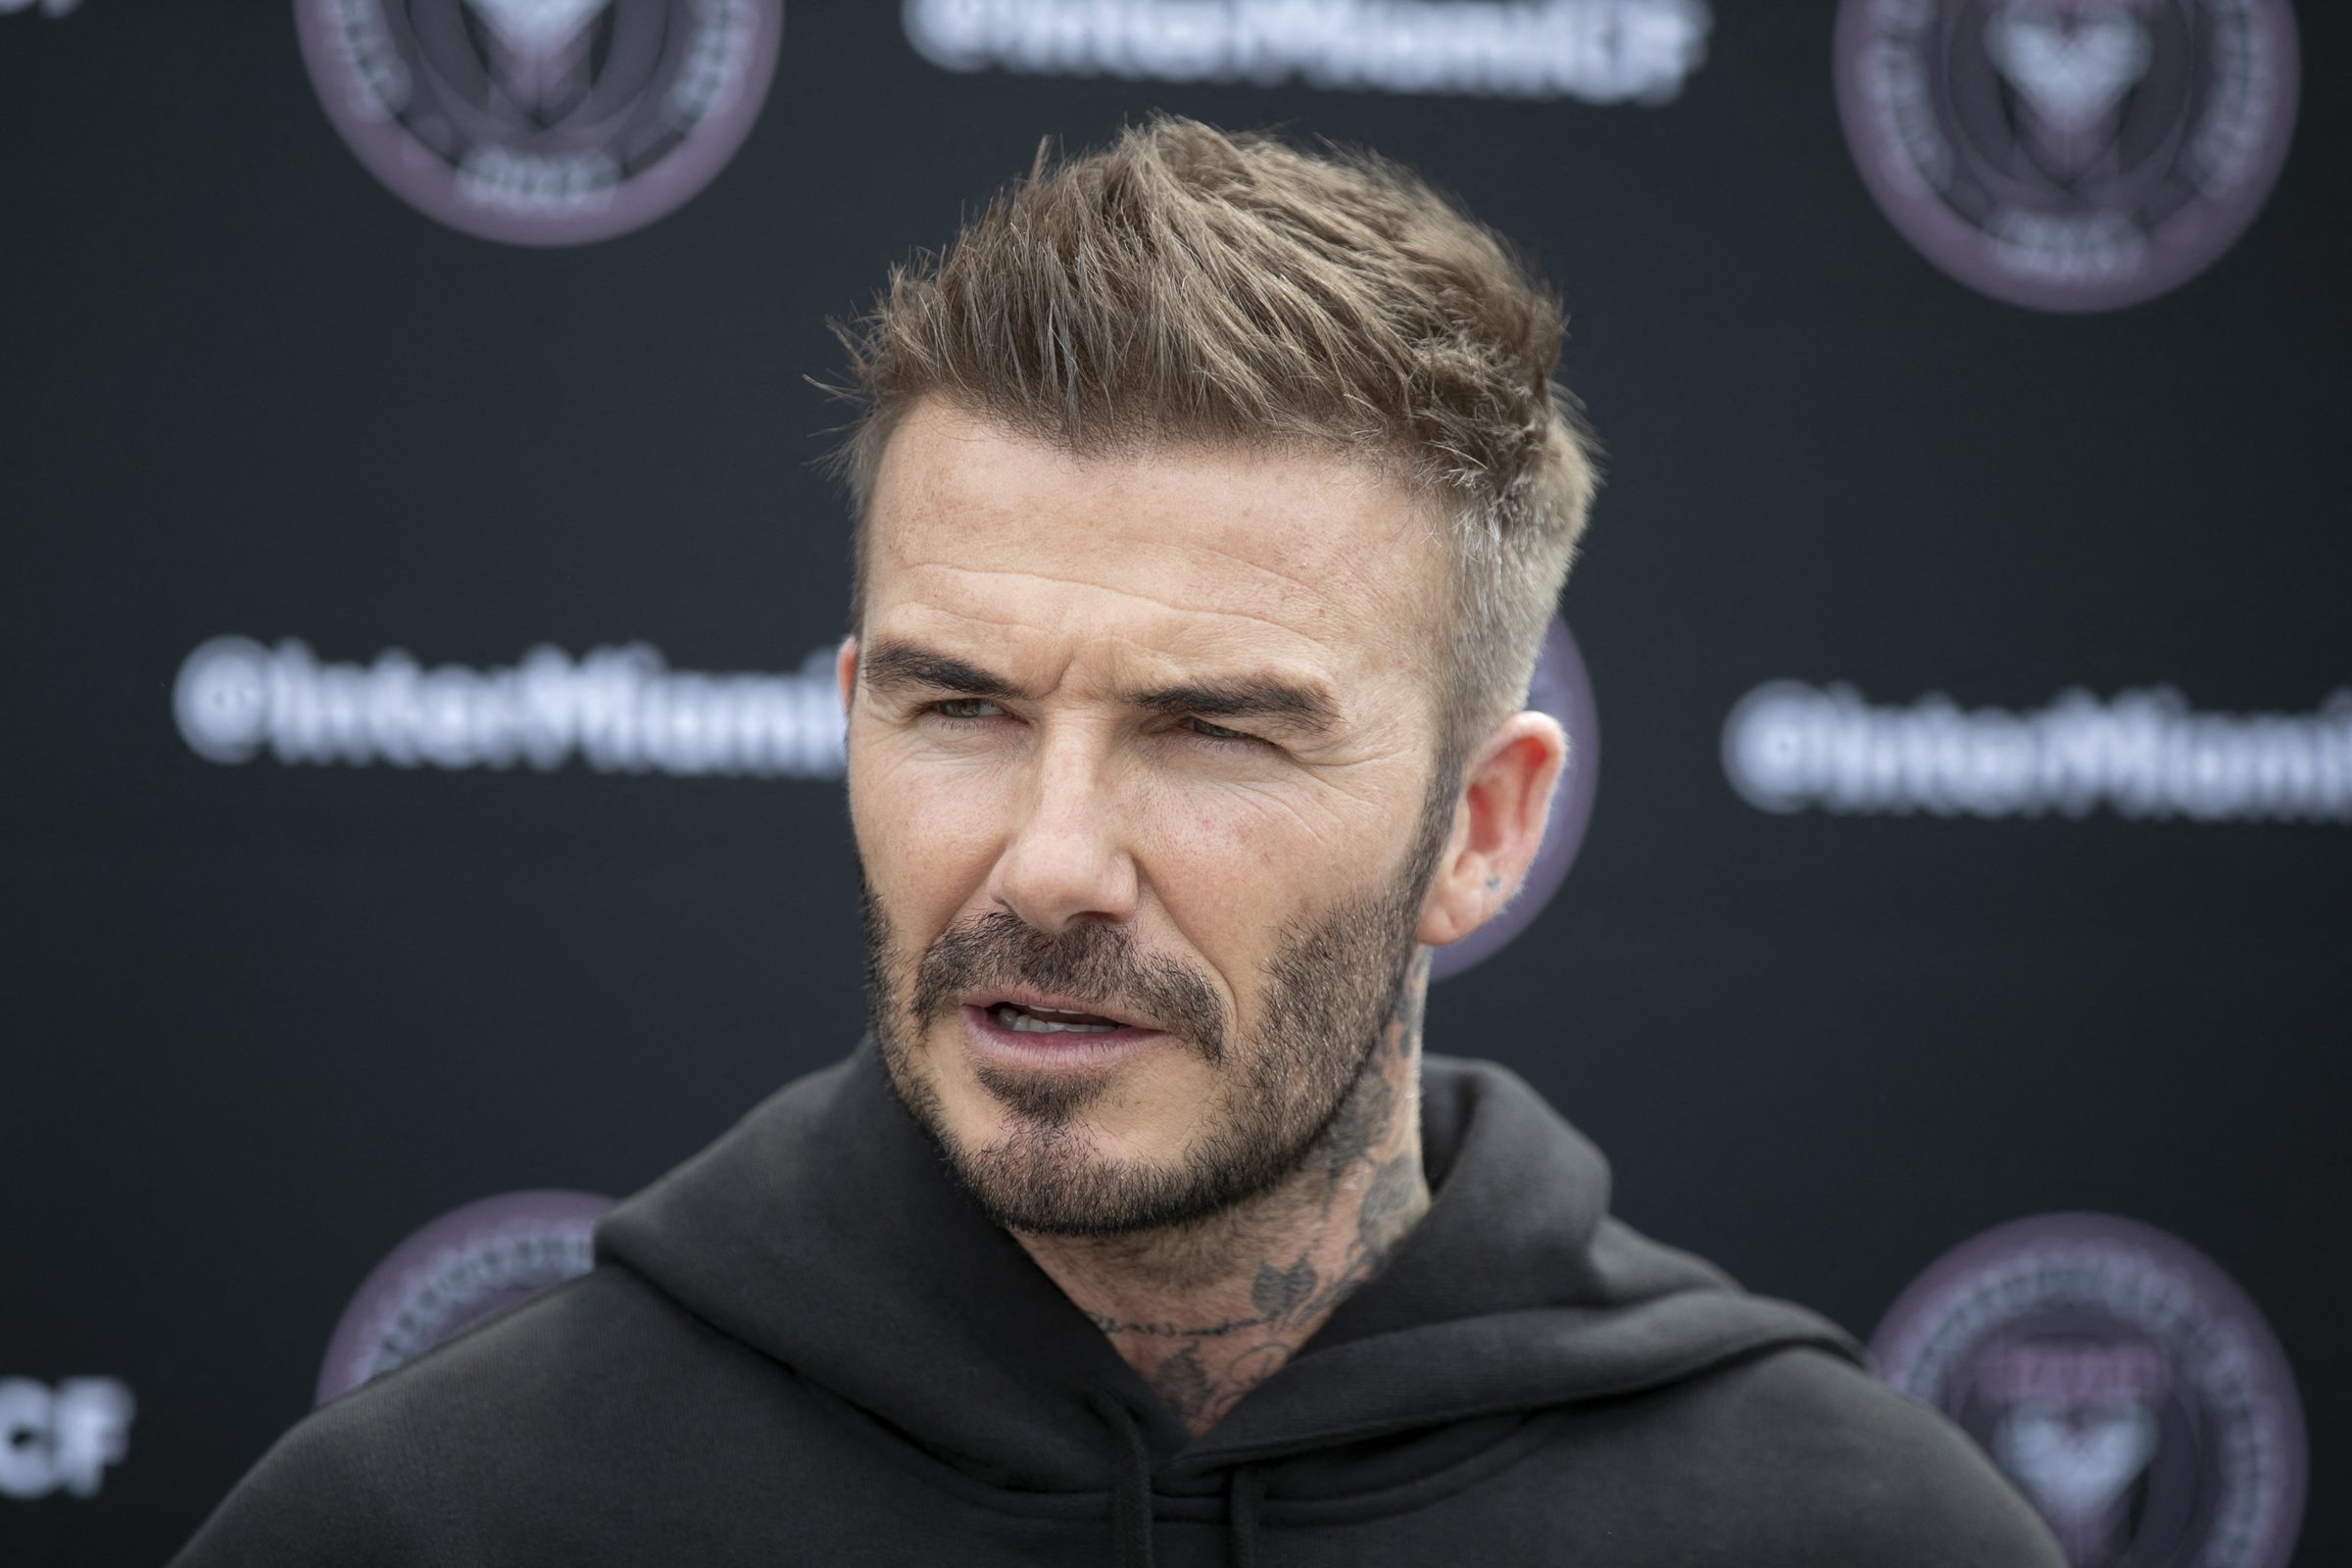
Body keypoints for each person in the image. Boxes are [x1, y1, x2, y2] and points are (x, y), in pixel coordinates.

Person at [174, 117, 2064, 1566]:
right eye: (962, 710)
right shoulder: (438, 1520)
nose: (1051, 865)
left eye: (1212, 732)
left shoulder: (1862, 1535)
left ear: (1482, 828)